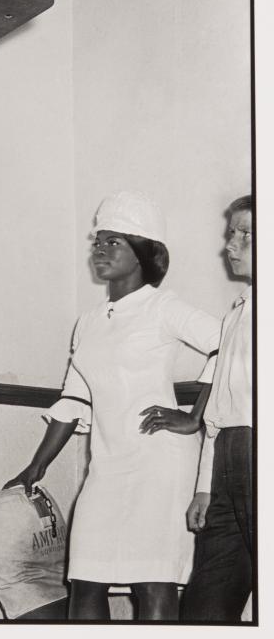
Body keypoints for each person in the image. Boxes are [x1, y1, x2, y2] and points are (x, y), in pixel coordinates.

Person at [3, 191, 221, 620]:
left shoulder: (163, 307)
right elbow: (73, 397)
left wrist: (194, 417)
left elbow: (231, 345)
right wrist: (36, 466)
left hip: (158, 463)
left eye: (113, 242)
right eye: (97, 242)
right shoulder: (88, 322)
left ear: (143, 253)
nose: (99, 251)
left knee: (152, 583)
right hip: (107, 466)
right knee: (84, 582)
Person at [180, 195, 254, 622]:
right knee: (207, 603)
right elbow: (219, 411)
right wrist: (206, 487)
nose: (231, 245)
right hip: (229, 453)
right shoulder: (236, 315)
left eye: (247, 234)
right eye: (232, 234)